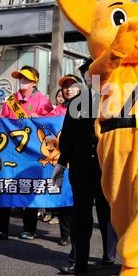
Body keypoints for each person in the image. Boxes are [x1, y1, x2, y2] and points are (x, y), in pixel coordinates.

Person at [52, 59, 116, 274]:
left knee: (105, 212)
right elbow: (67, 138)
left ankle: (108, 253)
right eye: (87, 74)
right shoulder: (78, 105)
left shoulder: (114, 101)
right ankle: (80, 259)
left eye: (93, 74)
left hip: (106, 166)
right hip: (83, 167)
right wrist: (61, 164)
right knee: (83, 214)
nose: (91, 78)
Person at [0, 66, 53, 240]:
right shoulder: (11, 99)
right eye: (20, 78)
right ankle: (0, 229)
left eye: (26, 79)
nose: (22, 81)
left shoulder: (42, 100)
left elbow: (47, 125)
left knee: (28, 187)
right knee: (6, 187)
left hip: (31, 153)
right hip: (11, 151)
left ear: (34, 82)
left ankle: (29, 228)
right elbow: (4, 122)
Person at [50, 74, 82, 244]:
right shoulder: (56, 111)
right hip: (59, 159)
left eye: (72, 85)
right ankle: (66, 234)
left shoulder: (87, 107)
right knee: (63, 196)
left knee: (77, 199)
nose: (68, 89)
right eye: (65, 86)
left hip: (80, 159)